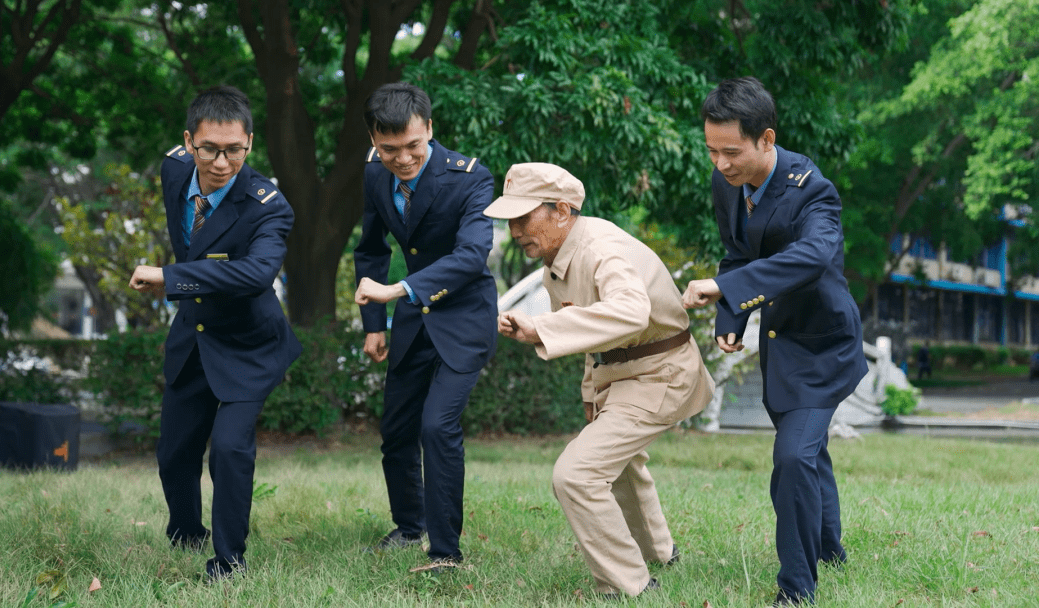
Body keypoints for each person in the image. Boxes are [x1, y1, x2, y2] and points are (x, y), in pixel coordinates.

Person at [487, 163, 715, 599]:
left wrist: (541, 328)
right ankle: (660, 553)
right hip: (624, 373)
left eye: (523, 217)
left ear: (561, 210)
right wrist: (591, 392)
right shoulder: (558, 256)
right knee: (620, 462)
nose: (515, 230)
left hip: (660, 372)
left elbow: (631, 312)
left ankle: (630, 586)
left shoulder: (601, 248)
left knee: (576, 474)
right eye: (509, 219)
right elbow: (596, 334)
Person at [682, 77, 866, 607]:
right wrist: (730, 315)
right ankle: (830, 549)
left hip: (823, 344)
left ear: (766, 138)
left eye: (731, 152)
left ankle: (797, 590)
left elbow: (812, 258)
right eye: (711, 151)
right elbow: (738, 251)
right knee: (808, 452)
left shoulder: (813, 189)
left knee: (791, 458)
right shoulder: (728, 182)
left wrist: (723, 288)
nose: (720, 164)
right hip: (781, 343)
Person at [128, 85, 301, 580]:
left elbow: (254, 274)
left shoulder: (269, 204)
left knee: (228, 447)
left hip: (249, 344)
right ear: (188, 142)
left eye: (235, 150)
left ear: (250, 142)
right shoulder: (174, 168)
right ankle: (185, 533)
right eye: (209, 149)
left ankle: (229, 560)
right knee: (174, 451)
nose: (222, 162)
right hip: (193, 336)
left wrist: (171, 276)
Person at [353, 82, 497, 572]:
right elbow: (371, 249)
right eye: (388, 148)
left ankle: (445, 550)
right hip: (412, 319)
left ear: (429, 129)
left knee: (437, 426)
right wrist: (374, 322)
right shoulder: (374, 173)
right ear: (373, 139)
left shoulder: (470, 178)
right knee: (396, 430)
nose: (403, 158)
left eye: (413, 146)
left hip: (464, 317)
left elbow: (472, 254)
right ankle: (409, 525)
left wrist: (397, 292)